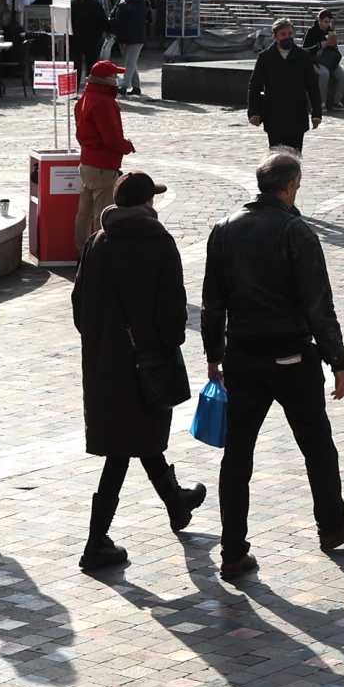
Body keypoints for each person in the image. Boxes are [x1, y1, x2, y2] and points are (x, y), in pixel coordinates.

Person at [198, 151, 344, 578]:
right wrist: (338, 360)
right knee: (316, 445)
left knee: (237, 458)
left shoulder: (223, 230)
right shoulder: (296, 231)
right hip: (293, 359)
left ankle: (233, 551)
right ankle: (330, 524)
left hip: (242, 358)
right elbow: (318, 304)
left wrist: (213, 358)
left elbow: (211, 303)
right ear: (291, 186)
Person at [73, 170, 204, 572]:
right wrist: (162, 346)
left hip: (104, 364)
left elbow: (80, 306)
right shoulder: (158, 242)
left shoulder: (98, 241)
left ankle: (176, 503)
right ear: (146, 203)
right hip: (146, 361)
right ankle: (95, 543)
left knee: (135, 438)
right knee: (123, 449)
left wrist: (102, 344)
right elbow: (173, 312)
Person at [73, 59, 133, 255]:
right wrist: (127, 146)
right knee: (103, 213)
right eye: (114, 76)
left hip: (88, 162)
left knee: (84, 212)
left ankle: (82, 252)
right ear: (105, 79)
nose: (116, 79)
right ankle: (100, 256)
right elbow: (111, 137)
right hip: (103, 165)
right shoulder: (104, 102)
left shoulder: (85, 97)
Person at [249, 17, 320, 155]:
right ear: (275, 37)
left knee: (294, 156)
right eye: (283, 34)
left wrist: (316, 113)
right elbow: (255, 86)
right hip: (274, 115)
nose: (287, 37)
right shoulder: (265, 57)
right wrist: (254, 112)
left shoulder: (303, 56)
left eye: (289, 34)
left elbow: (312, 86)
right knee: (276, 157)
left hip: (297, 114)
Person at [109, 0, 151, 97]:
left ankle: (124, 86)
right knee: (131, 63)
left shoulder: (140, 1)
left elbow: (134, 17)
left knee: (129, 62)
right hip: (123, 36)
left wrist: (122, 8)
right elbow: (113, 13)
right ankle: (136, 87)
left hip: (136, 37)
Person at [302, 7, 344, 115]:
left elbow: (335, 48)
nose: (327, 24)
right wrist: (319, 45)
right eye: (325, 21)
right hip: (315, 60)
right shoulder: (312, 31)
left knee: (343, 75)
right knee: (324, 74)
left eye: (329, 21)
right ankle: (321, 103)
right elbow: (305, 50)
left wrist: (333, 45)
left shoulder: (331, 30)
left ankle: (336, 102)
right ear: (319, 21)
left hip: (329, 60)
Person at [68, 0, 109, 93]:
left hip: (92, 40)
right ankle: (74, 89)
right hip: (75, 40)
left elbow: (103, 22)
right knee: (75, 66)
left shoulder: (95, 5)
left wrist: (102, 34)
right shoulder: (71, 5)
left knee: (92, 66)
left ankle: (91, 88)